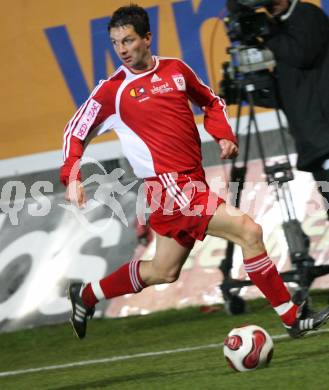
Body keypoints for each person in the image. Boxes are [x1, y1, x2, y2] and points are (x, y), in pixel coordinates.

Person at [60, 3, 329, 340]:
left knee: (163, 270)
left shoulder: (176, 70)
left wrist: (223, 134)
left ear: (147, 37)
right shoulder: (112, 91)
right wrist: (72, 174)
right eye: (116, 43)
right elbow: (75, 131)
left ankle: (86, 294)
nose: (122, 50)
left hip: (190, 181)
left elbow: (211, 101)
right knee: (249, 231)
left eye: (128, 40)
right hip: (170, 186)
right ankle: (292, 317)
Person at [264, 0, 329, 217]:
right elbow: (289, 94)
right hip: (315, 142)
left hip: (324, 133)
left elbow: (303, 55)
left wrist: (268, 34)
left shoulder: (305, 13)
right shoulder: (280, 29)